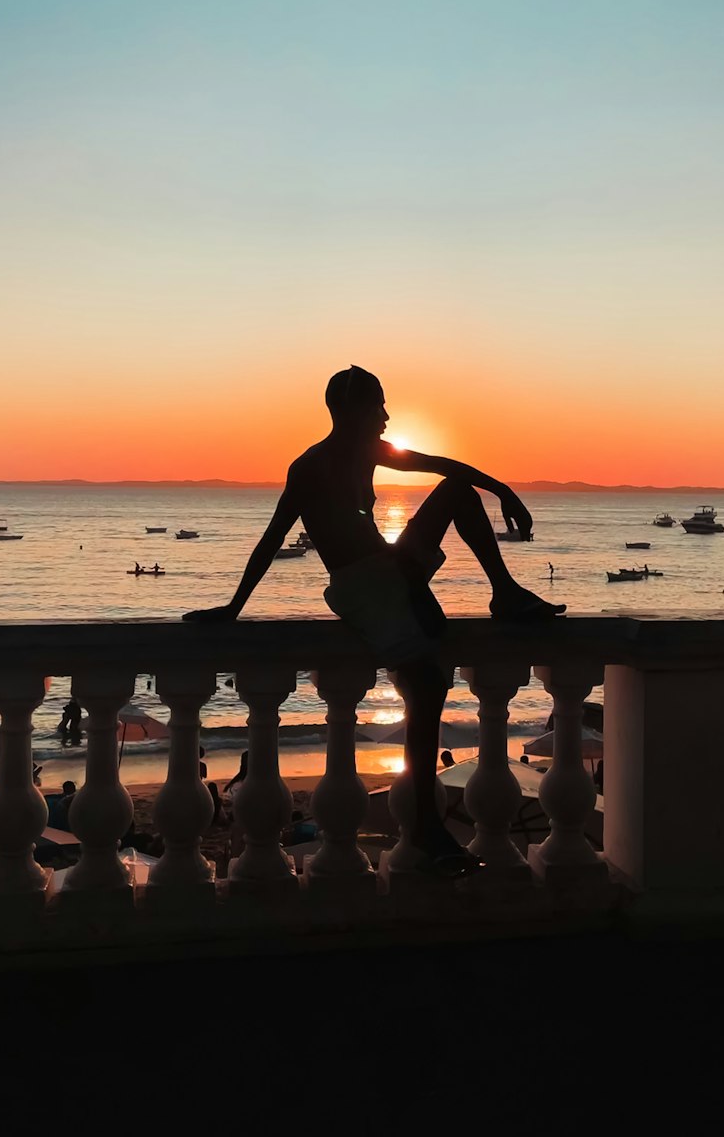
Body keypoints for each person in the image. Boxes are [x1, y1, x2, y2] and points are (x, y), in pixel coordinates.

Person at [184, 365, 565, 878]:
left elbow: (442, 463)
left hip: (389, 567)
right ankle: (427, 830)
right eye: (379, 406)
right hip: (365, 589)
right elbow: (272, 538)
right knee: (427, 682)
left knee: (458, 491)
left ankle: (505, 593)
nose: (386, 416)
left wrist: (503, 490)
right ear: (353, 411)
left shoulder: (369, 452)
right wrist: (232, 608)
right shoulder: (310, 466)